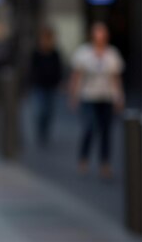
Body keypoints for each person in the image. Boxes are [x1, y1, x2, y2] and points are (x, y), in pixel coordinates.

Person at [70, 22, 124, 178]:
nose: (100, 38)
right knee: (90, 127)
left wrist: (119, 97)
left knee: (106, 131)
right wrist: (73, 95)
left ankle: (105, 163)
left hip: (106, 97)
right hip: (88, 96)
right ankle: (83, 158)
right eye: (97, 35)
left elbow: (116, 78)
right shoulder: (84, 53)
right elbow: (77, 76)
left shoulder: (112, 54)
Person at [29, 26, 62, 147]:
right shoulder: (36, 53)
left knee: (49, 111)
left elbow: (59, 69)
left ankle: (45, 132)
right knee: (40, 110)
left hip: (51, 86)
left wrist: (59, 82)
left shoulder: (55, 53)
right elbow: (32, 69)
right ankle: (40, 132)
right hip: (39, 85)